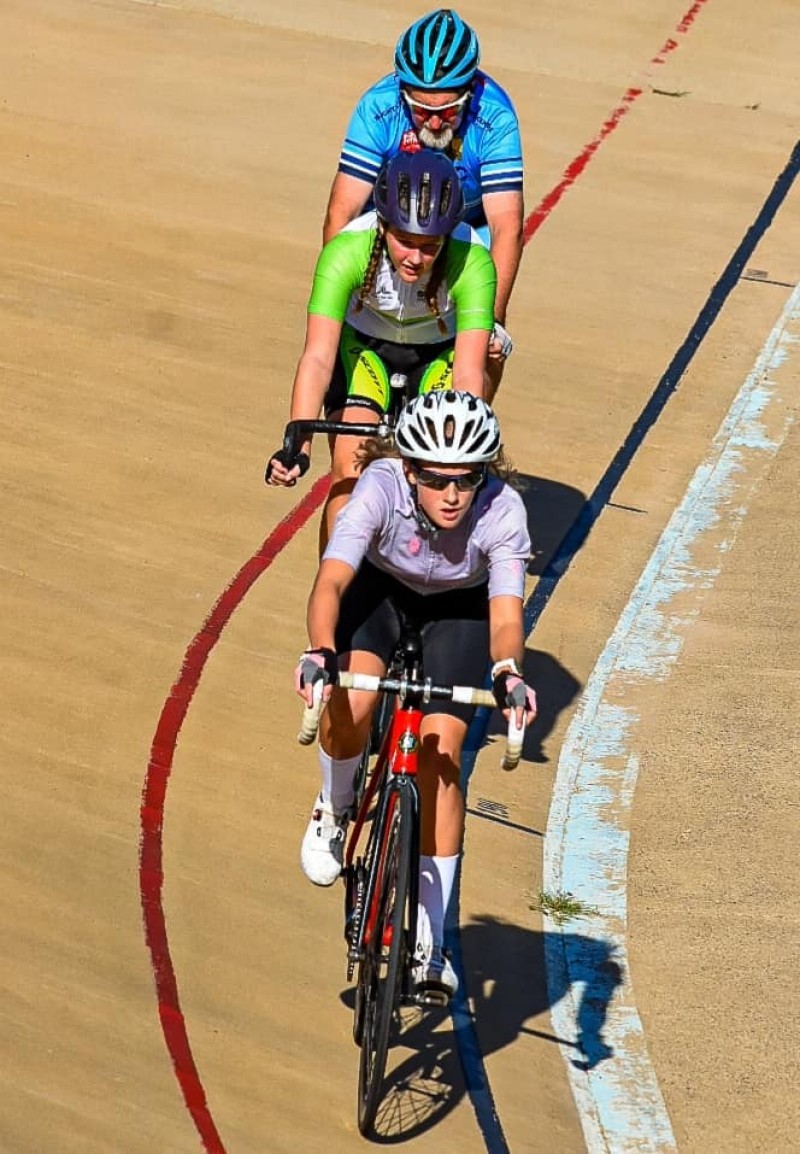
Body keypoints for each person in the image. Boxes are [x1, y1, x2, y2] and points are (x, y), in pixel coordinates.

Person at [293, 390, 536, 1001]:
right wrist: (321, 650)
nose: (453, 495)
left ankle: (430, 941)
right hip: (380, 591)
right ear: (408, 469)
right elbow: (332, 581)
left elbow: (505, 614)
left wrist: (508, 670)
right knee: (353, 703)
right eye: (436, 479)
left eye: (466, 479)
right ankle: (335, 802)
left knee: (442, 756)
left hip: (458, 610)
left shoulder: (503, 510)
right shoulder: (378, 486)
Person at [266, 149, 497, 551]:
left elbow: (468, 373)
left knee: (437, 474)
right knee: (349, 472)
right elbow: (319, 357)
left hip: (438, 357)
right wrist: (298, 440)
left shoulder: (473, 260)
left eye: (429, 246)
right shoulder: (346, 251)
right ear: (382, 225)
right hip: (365, 351)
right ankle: (337, 590)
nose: (416, 258)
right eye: (404, 241)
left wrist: (458, 456)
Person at [323, 8, 524, 397]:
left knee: (487, 351)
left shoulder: (495, 116)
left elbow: (507, 226)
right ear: (402, 93)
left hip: (465, 227)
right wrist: (338, 292)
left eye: (447, 110)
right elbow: (342, 212)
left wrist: (492, 320)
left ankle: (468, 436)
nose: (434, 123)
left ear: (470, 91)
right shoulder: (377, 108)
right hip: (392, 224)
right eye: (421, 110)